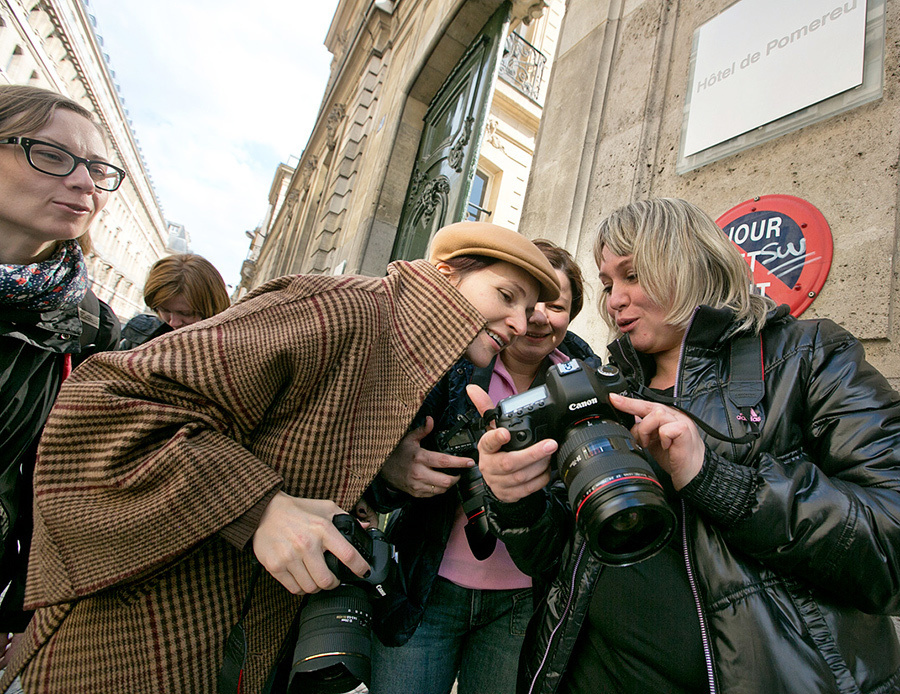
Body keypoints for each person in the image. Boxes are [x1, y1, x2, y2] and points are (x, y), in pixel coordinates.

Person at [0, 220, 560, 694]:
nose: (518, 323)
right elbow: (105, 399)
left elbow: (289, 450)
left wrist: (384, 472)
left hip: (238, 641)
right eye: (506, 296)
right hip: (135, 635)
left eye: (530, 308)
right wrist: (260, 508)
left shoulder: (409, 352)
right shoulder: (342, 309)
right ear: (446, 276)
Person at [469, 198, 900, 694]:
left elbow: (889, 547)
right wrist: (516, 501)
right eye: (609, 285)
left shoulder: (808, 356)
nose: (614, 301)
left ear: (691, 260)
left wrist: (715, 480)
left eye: (632, 275)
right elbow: (551, 558)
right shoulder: (607, 387)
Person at [367, 241, 599, 694]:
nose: (535, 317)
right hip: (426, 588)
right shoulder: (450, 364)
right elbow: (366, 473)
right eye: (524, 302)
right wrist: (393, 470)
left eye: (555, 305)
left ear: (570, 317)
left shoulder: (584, 381)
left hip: (520, 601)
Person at [0, 85, 122, 671]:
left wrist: (26, 611)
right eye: (50, 156)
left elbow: (65, 480)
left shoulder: (91, 327)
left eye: (98, 171)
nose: (84, 184)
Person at [118, 253, 231, 349]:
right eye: (164, 310)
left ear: (211, 307)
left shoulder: (227, 350)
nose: (173, 322)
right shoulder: (139, 334)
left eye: (186, 313)